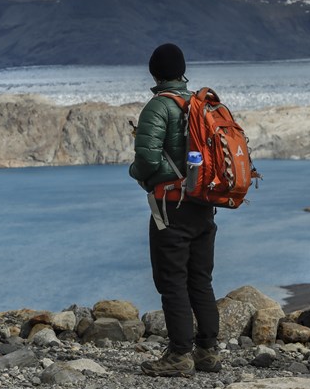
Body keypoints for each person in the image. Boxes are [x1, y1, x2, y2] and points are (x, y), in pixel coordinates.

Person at [129, 43, 221, 377]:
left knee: (172, 280)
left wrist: (135, 174)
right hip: (205, 204)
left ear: (154, 72)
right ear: (182, 71)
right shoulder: (200, 104)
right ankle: (208, 352)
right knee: (201, 278)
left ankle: (180, 355)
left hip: (172, 207)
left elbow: (148, 160)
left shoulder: (158, 107)